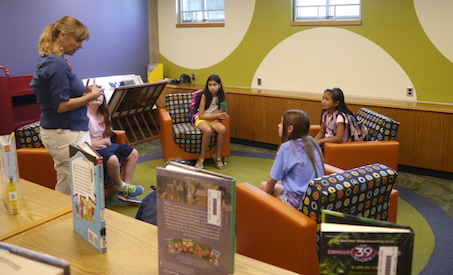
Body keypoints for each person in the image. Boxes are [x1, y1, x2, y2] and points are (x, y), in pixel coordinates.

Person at [30, 16, 103, 195]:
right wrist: (91, 96)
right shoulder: (56, 64)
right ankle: (88, 223)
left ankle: (61, 217)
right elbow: (61, 105)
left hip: (63, 131)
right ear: (62, 35)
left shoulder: (51, 60)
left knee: (66, 183)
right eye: (78, 40)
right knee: (85, 186)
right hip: (66, 132)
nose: (80, 46)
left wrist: (82, 93)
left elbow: (58, 96)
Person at [87, 91, 144, 204]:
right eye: (94, 94)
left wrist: (105, 141)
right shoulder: (85, 116)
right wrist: (104, 141)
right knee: (113, 160)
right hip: (92, 150)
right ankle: (121, 186)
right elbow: (85, 142)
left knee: (133, 153)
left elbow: (108, 134)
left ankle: (126, 190)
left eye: (100, 94)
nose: (97, 97)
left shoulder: (103, 114)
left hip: (105, 147)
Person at [260, 109, 324, 210]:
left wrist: (263, 200)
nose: (278, 125)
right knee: (279, 185)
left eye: (281, 123)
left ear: (290, 128)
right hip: (315, 199)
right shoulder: (313, 142)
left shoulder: (286, 148)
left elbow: (272, 180)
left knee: (264, 186)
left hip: (298, 203)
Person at [193, 74, 227, 169]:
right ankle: (201, 158)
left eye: (215, 85)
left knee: (222, 129)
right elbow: (201, 115)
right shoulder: (204, 96)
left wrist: (219, 112)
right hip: (202, 119)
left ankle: (217, 156)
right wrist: (216, 115)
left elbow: (222, 109)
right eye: (210, 85)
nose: (212, 87)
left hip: (213, 119)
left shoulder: (221, 95)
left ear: (219, 85)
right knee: (208, 130)